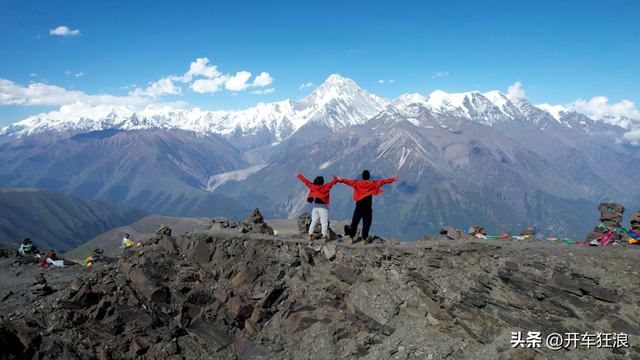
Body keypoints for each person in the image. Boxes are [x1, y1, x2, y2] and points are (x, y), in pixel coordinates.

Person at [335, 170, 398, 245]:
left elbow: (348, 182)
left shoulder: (357, 183)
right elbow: (383, 182)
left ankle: (351, 238)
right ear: (369, 177)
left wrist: (340, 180)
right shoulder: (372, 184)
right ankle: (364, 239)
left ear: (362, 177)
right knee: (366, 223)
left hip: (359, 206)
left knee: (354, 222)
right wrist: (393, 179)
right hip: (367, 207)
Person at [296, 173, 339, 242]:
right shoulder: (325, 187)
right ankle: (324, 237)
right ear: (322, 182)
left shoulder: (313, 187)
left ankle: (310, 236)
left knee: (314, 221)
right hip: (323, 206)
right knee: (324, 222)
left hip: (315, 206)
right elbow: (331, 183)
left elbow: (306, 181)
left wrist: (299, 175)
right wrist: (336, 179)